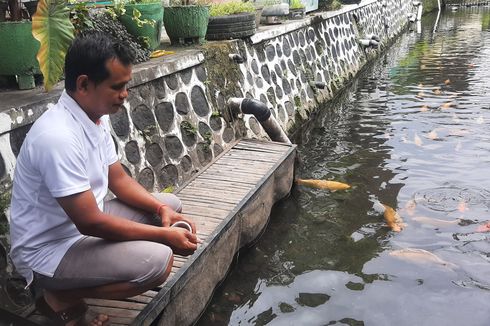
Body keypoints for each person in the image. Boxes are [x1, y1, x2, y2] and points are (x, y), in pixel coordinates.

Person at [9, 32, 198, 326]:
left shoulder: (95, 115)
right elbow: (90, 222)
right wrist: (164, 236)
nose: (125, 94)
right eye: (117, 87)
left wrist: (161, 211)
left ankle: (70, 288)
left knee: (169, 203)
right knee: (157, 264)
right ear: (84, 84)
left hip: (81, 227)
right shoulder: (57, 137)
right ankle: (58, 296)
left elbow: (118, 179)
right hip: (51, 249)